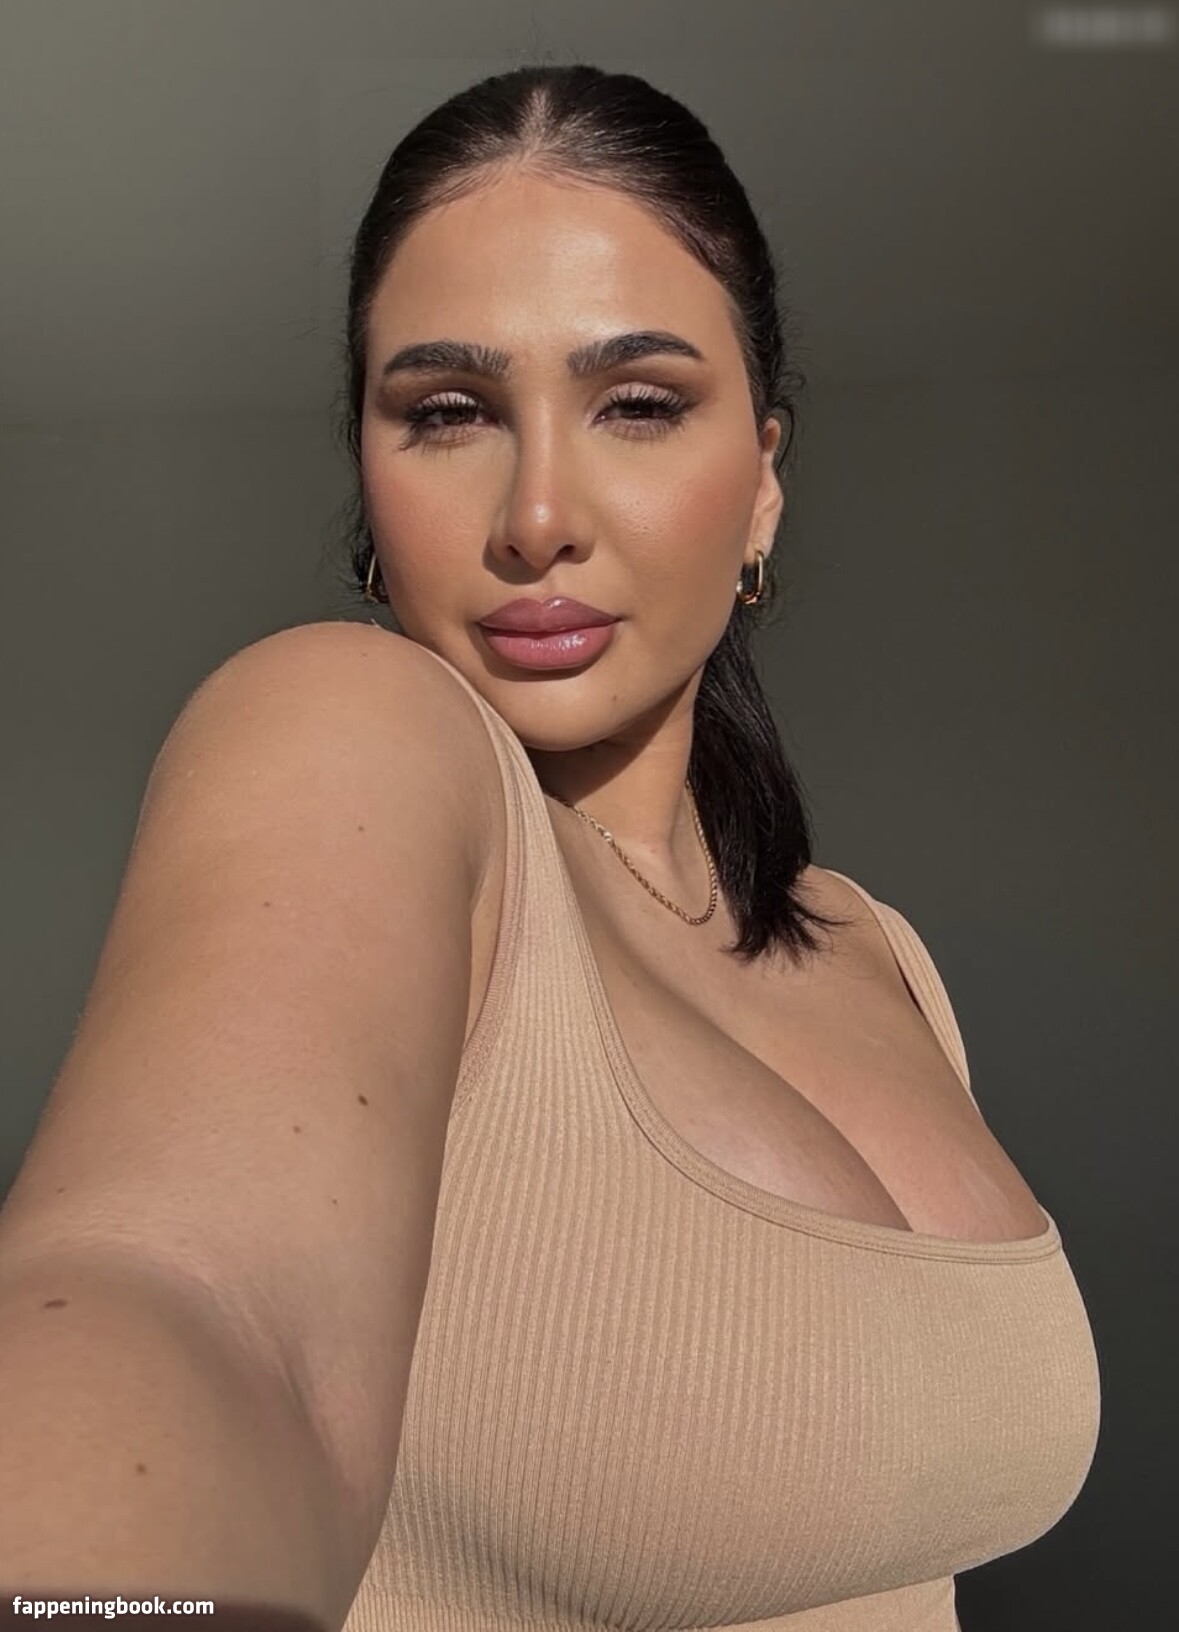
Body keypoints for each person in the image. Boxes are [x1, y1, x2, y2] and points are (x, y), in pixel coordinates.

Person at [0, 63, 1099, 1632]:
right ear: (370, 482)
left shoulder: (881, 952)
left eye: (637, 404)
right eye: (449, 413)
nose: (536, 515)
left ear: (764, 482)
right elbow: (182, 1297)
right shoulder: (345, 730)